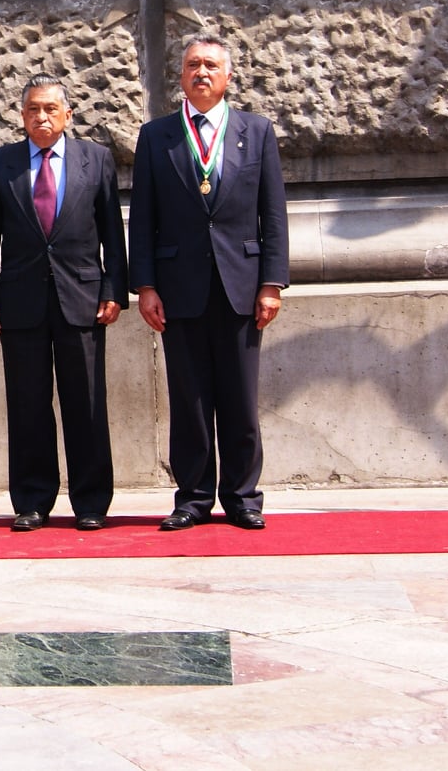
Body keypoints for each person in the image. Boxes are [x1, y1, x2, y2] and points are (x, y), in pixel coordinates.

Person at [128, 34, 289, 532]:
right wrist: (146, 286)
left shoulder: (256, 132)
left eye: (211, 66)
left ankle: (243, 496)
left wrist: (272, 283)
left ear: (228, 77)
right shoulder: (157, 136)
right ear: (180, 76)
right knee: (190, 399)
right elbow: (144, 218)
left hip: (242, 284)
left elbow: (273, 214)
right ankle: (193, 497)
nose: (202, 72)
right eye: (193, 64)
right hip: (179, 288)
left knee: (240, 398)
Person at [0, 75, 127, 532]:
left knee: (87, 403)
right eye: (33, 110)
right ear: (22, 116)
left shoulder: (95, 160)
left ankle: (91, 501)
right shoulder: (1, 163)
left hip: (82, 299)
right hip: (20, 303)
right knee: (27, 405)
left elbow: (112, 233)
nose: (42, 117)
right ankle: (32, 500)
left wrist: (113, 289)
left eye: (50, 109)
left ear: (68, 115)